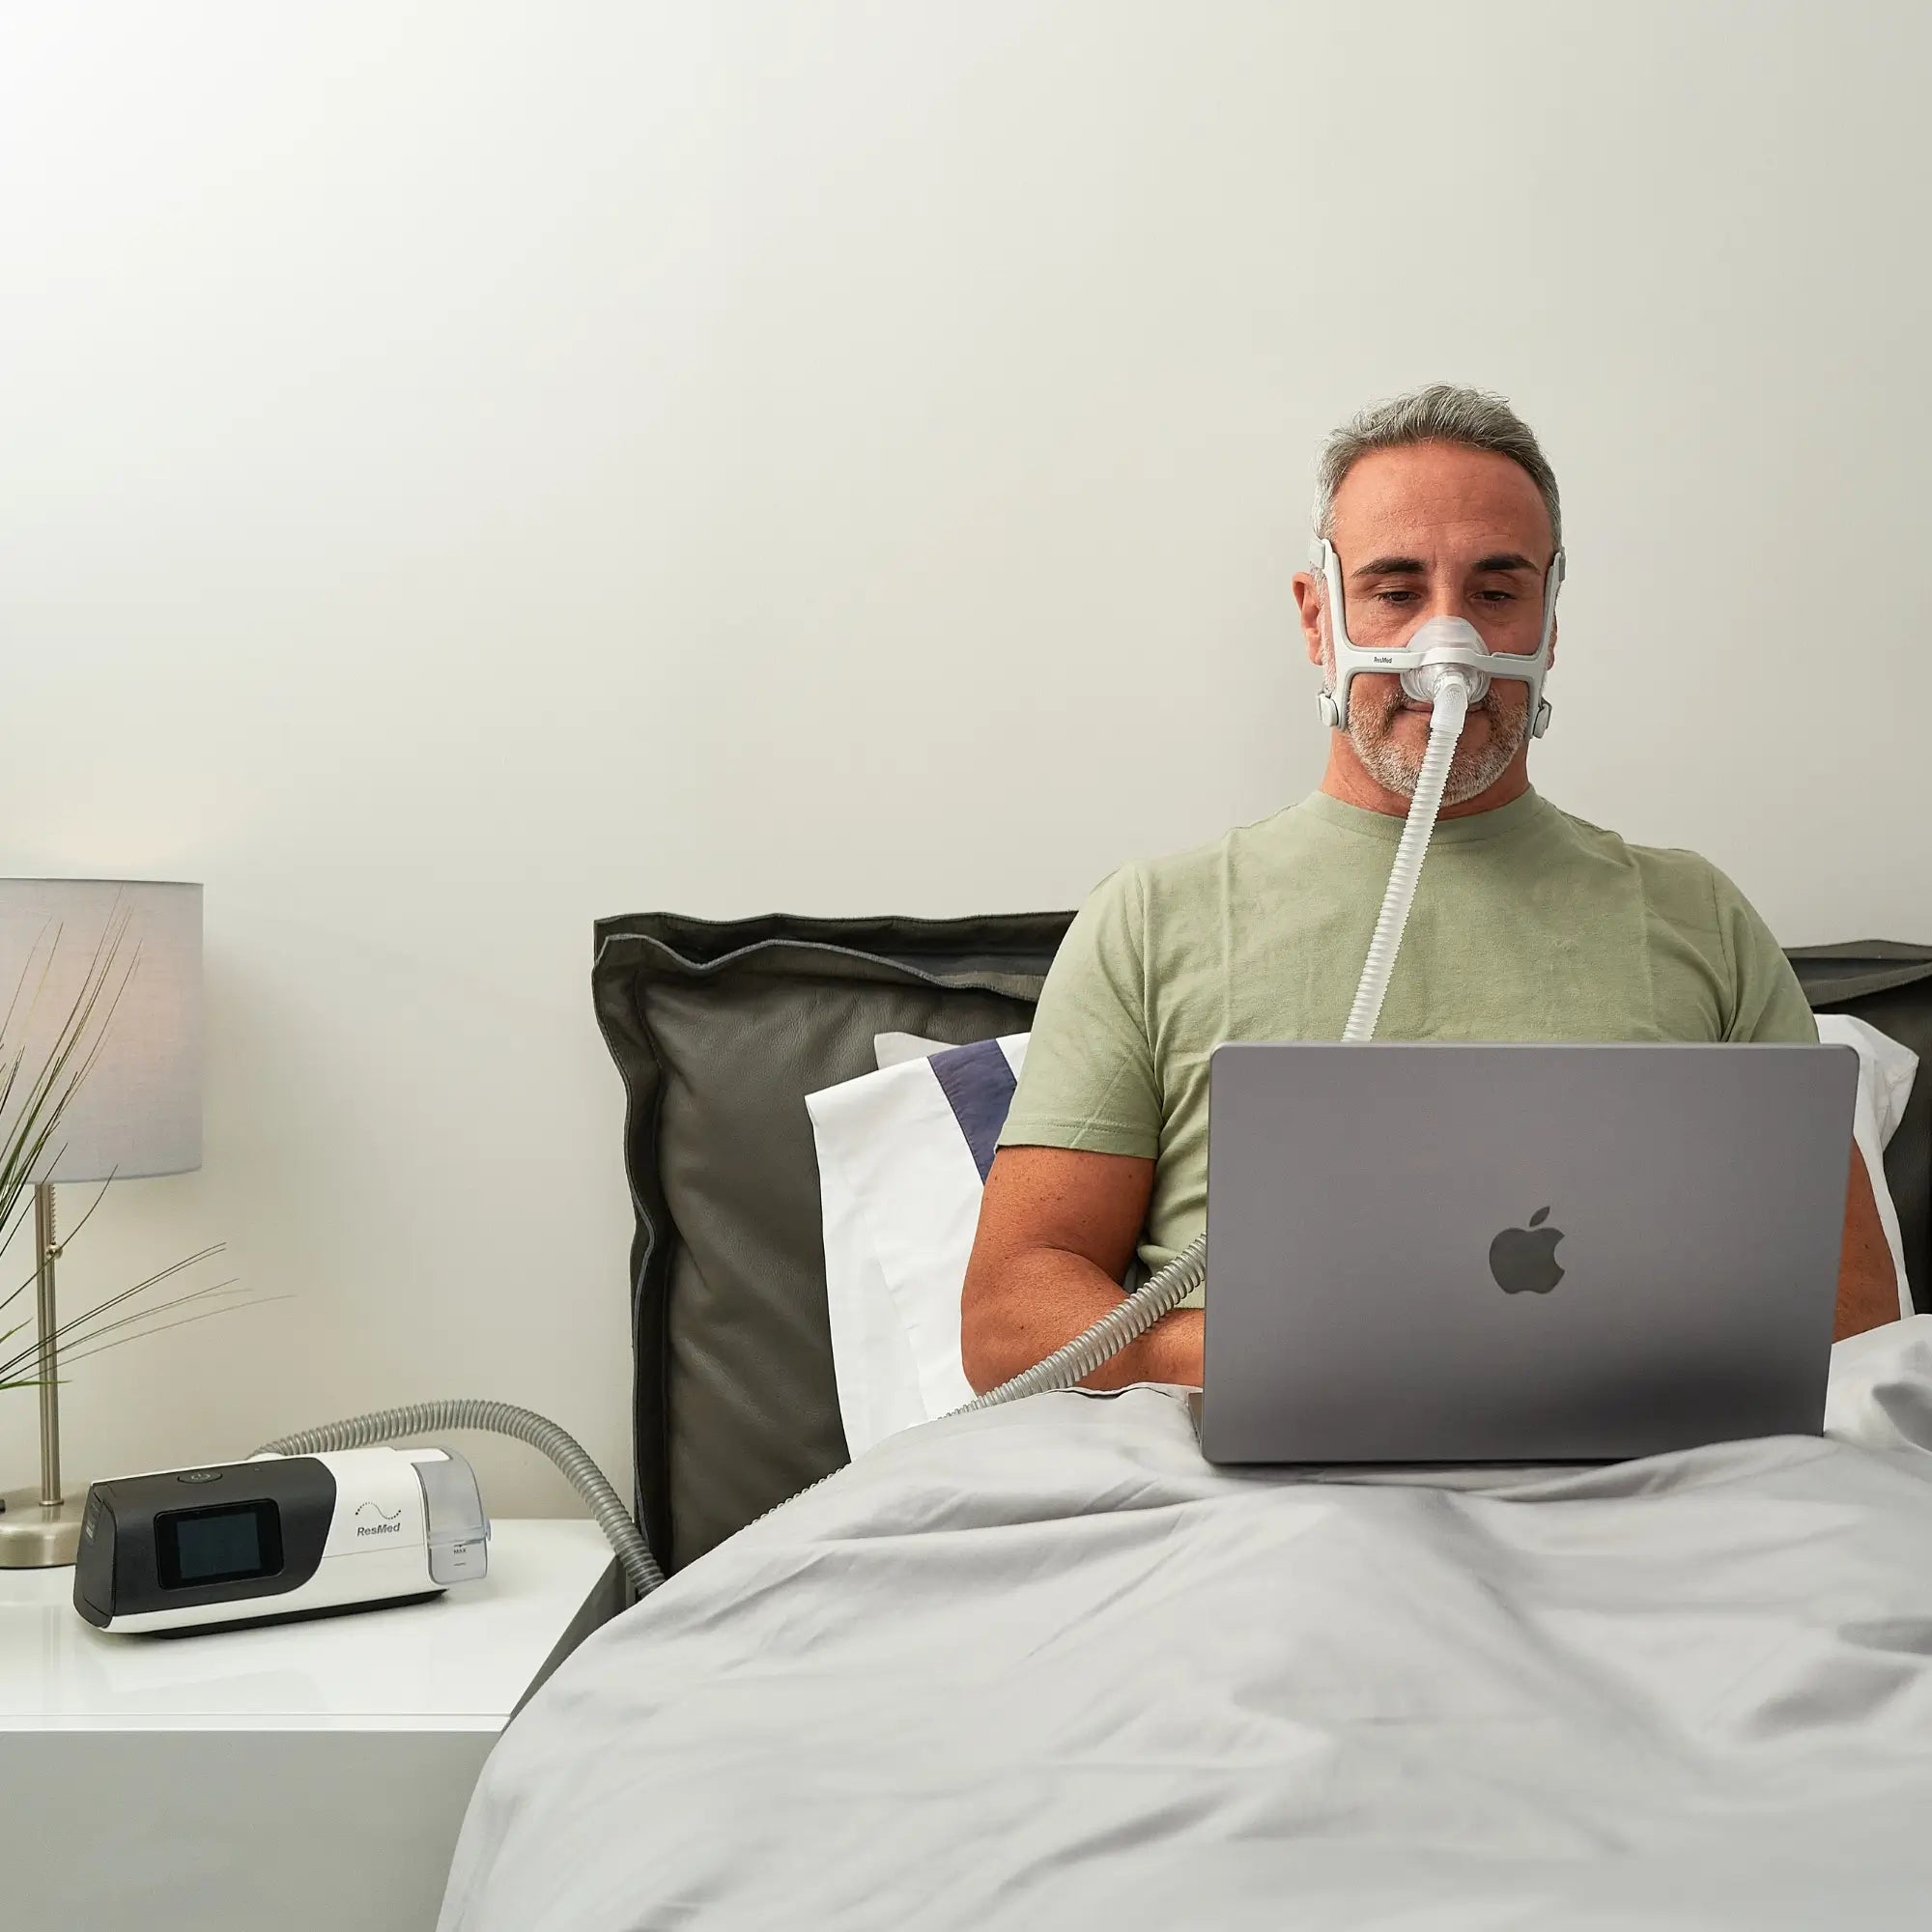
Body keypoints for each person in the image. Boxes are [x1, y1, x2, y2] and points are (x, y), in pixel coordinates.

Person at [960, 384, 1898, 1395]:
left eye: (1494, 593)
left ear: (1547, 616)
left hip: (1635, 1478)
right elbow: (1012, 1311)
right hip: (1249, 1488)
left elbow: (1848, 1305)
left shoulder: (1693, 915)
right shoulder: (1152, 917)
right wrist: (1281, 1360)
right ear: (1317, 616)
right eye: (1395, 591)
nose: (1443, 643)